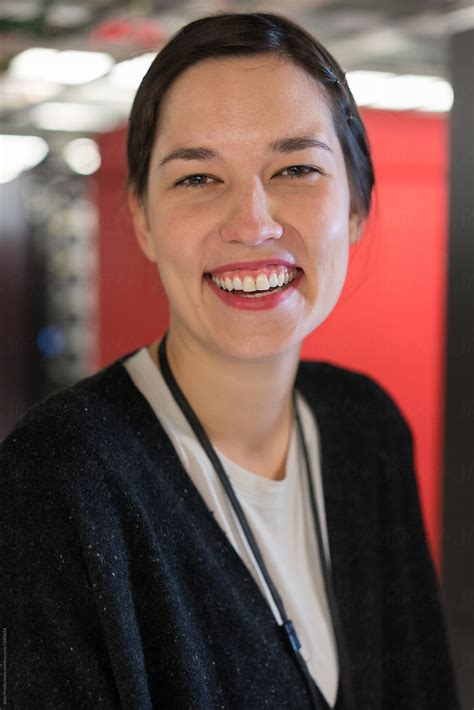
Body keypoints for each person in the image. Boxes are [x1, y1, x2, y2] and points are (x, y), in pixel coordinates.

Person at [1, 11, 459, 710]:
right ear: (144, 219)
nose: (252, 223)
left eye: (297, 168)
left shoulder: (364, 428)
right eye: (197, 179)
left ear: (358, 208)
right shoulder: (61, 477)